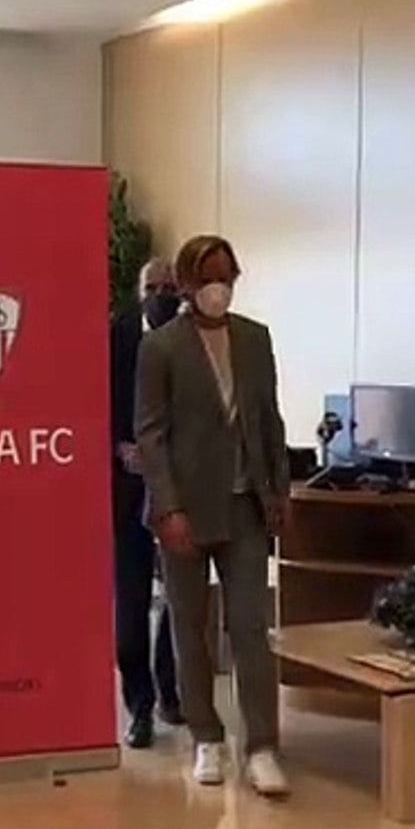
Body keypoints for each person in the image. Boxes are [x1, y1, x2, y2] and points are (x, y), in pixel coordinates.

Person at [135, 234, 292, 798]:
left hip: (245, 503)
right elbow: (151, 433)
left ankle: (262, 747)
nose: (217, 288)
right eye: (207, 278)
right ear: (185, 284)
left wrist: (279, 490)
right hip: (185, 509)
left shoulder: (254, 338)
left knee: (249, 627)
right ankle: (207, 736)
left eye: (226, 276)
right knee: (190, 626)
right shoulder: (161, 348)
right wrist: (168, 506)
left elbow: (269, 418)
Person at [109, 259, 182, 748]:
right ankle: (138, 706)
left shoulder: (190, 338)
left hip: (178, 490)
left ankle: (169, 693)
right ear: (139, 292)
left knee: (180, 599)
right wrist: (118, 447)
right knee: (131, 605)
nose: (160, 295)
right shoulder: (114, 338)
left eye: (169, 287)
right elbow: (93, 404)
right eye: (152, 287)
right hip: (127, 490)